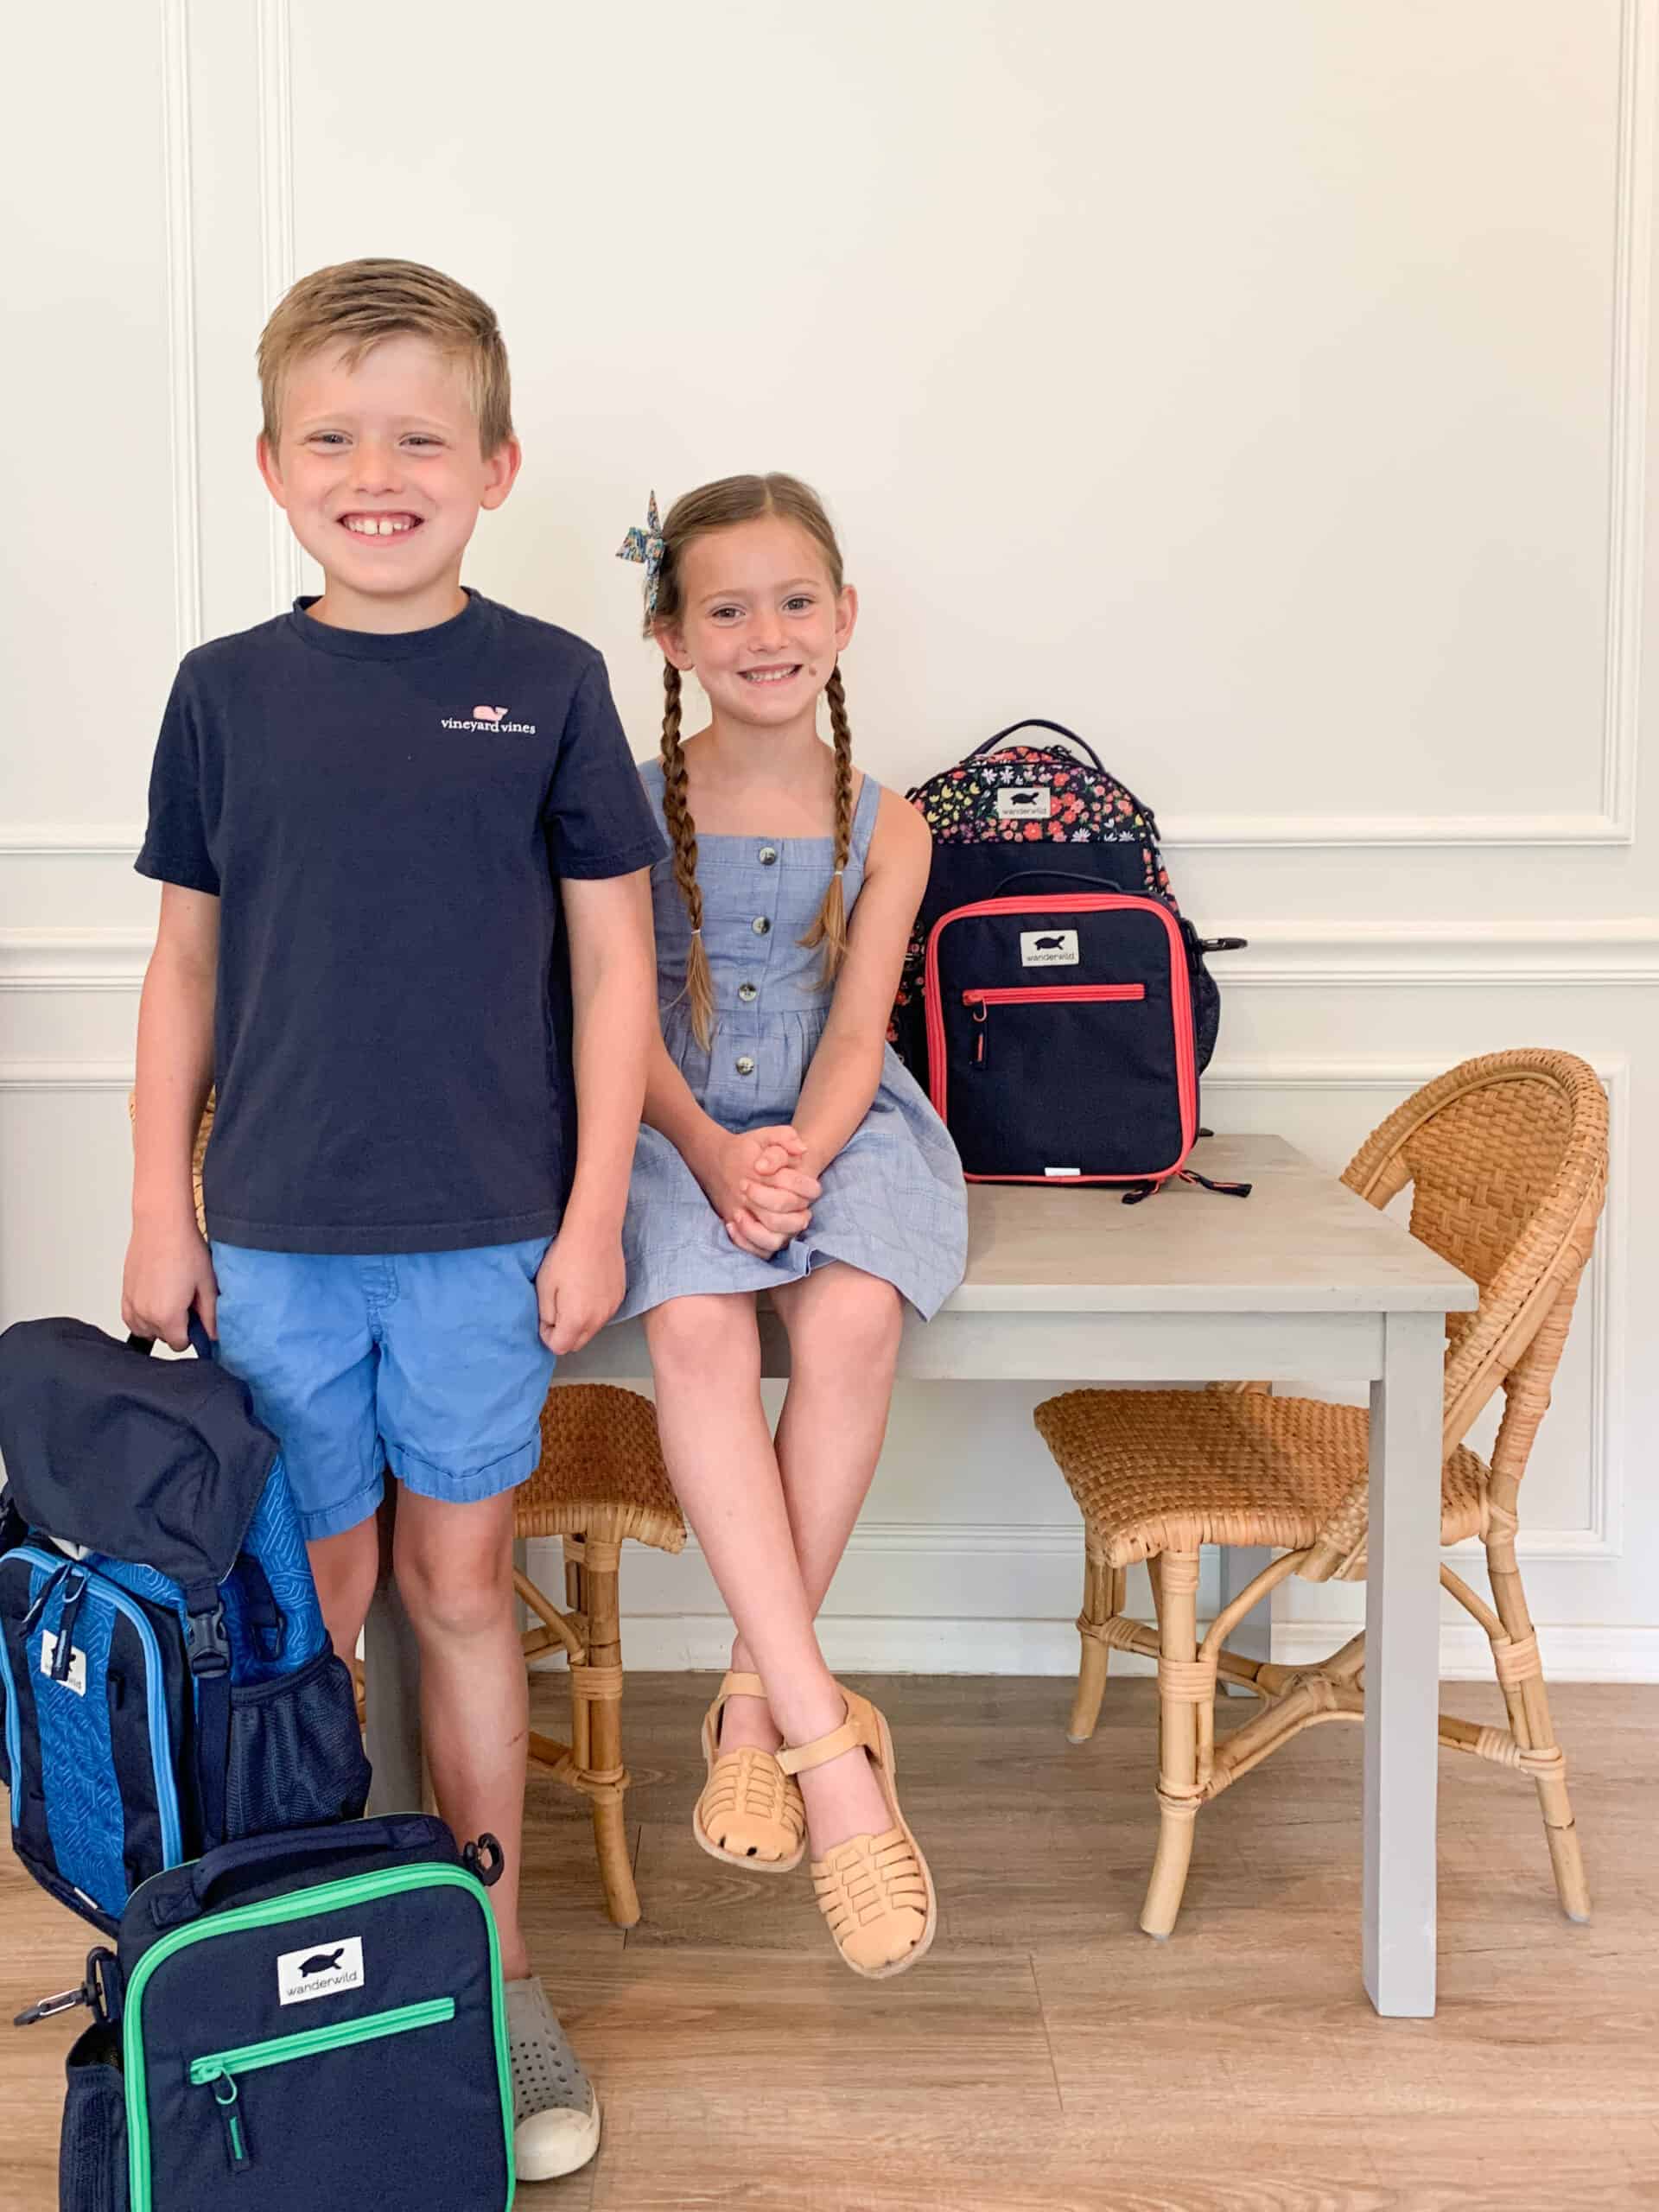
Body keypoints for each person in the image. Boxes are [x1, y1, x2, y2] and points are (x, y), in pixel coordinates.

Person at [122, 258, 663, 2179]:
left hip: (487, 1241)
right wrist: (155, 1206)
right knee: (312, 1612)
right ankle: (307, 1967)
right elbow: (184, 969)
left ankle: (494, 1975)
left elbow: (617, 976)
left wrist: (594, 1210)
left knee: (455, 1593)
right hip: (268, 1235)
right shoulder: (224, 693)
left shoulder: (554, 684)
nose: (379, 470)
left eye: (421, 435)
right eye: (335, 437)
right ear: (274, 467)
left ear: (495, 466)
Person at [613, 473, 967, 1979]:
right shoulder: (619, 801)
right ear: (672, 632)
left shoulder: (892, 825)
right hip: (661, 1111)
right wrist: (707, 1152)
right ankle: (830, 1749)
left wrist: (799, 1163)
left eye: (796, 599)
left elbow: (855, 1025)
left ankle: (753, 1698)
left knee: (855, 1313)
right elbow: (610, 1012)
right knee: (693, 1327)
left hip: (837, 1118)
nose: (768, 633)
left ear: (846, 613)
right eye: (727, 607)